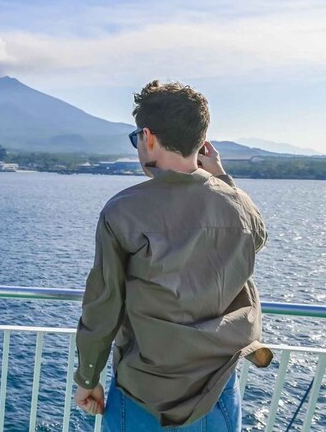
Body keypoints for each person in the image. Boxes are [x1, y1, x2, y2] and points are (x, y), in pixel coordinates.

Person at [73, 81, 272, 431]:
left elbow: (103, 306)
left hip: (143, 397)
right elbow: (257, 237)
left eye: (136, 138)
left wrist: (87, 377)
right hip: (218, 393)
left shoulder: (123, 211)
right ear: (201, 140)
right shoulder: (237, 204)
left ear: (148, 136)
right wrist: (221, 177)